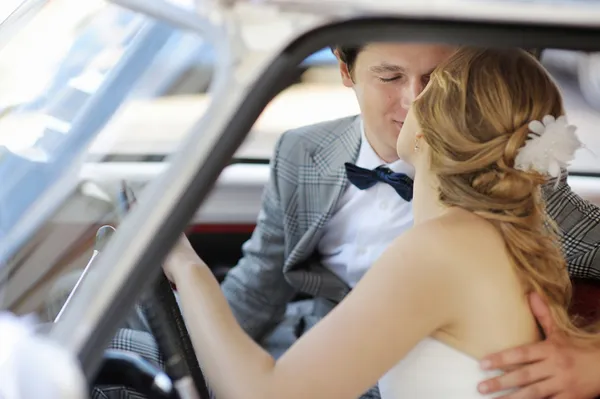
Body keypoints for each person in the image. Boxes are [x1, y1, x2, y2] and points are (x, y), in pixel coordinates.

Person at [61, 43, 600, 399]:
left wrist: (183, 263)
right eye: (390, 76)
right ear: (348, 73)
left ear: (445, 122)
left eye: (432, 84)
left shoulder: (444, 247)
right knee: (119, 354)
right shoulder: (500, 225)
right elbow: (258, 291)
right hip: (310, 357)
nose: (410, 99)